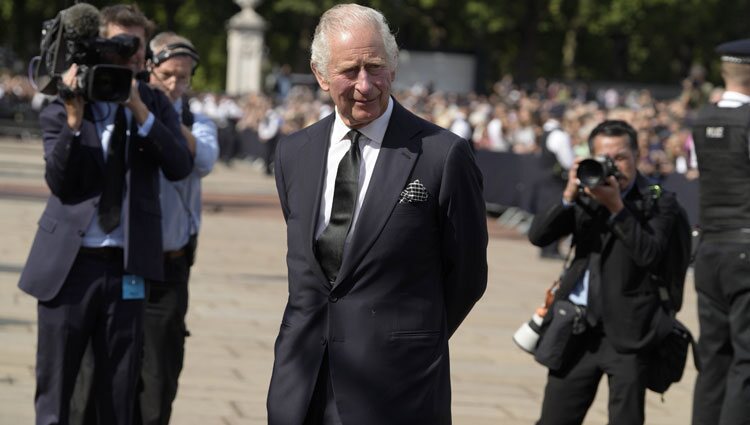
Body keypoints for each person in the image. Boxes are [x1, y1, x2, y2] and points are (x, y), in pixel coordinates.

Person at [266, 4, 488, 425]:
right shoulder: (294, 153)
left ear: (394, 68)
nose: (365, 84)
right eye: (350, 70)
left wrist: (407, 340)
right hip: (301, 383)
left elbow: (468, 275)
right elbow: (313, 271)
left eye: (376, 67)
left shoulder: (442, 155)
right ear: (321, 74)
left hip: (398, 387)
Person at [17, 3, 192, 425]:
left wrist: (138, 108)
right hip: (70, 268)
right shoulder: (63, 102)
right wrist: (76, 119)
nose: (129, 55)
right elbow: (61, 181)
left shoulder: (150, 101)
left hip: (127, 268)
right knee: (56, 389)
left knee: (118, 388)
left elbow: (179, 165)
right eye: (118, 45)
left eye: (136, 48)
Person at [528, 120, 681, 425]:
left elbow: (650, 254)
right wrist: (570, 194)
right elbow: (539, 236)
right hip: (576, 327)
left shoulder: (659, 200)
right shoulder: (586, 193)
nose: (613, 166)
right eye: (605, 158)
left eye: (621, 157)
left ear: (637, 155)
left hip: (629, 332)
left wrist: (617, 210)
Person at [134, 32, 219, 425]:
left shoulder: (197, 121)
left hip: (170, 264)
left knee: (160, 373)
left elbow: (204, 160)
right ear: (149, 68)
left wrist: (161, 118)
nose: (174, 85)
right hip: (125, 260)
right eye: (167, 75)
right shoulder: (127, 109)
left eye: (183, 78)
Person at [691, 38, 750, 425]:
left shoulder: (703, 118)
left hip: (710, 247)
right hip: (744, 248)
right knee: (746, 361)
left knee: (713, 357)